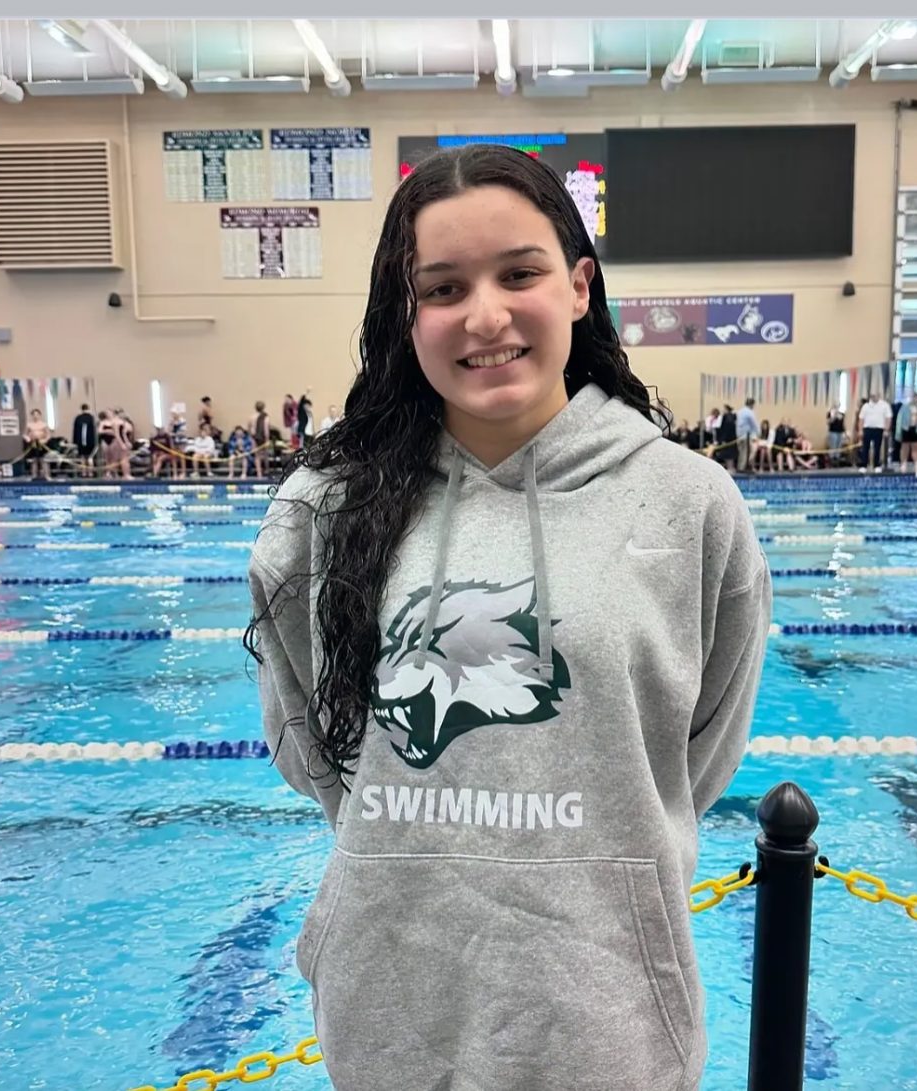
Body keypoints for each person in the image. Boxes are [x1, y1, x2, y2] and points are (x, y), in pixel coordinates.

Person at [245, 144, 771, 1091]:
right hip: (391, 1002)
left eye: (518, 274)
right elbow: (310, 736)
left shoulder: (688, 502)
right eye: (442, 288)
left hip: (609, 1008)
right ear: (406, 317)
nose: (484, 316)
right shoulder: (322, 506)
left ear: (577, 287)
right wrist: (411, 844)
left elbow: (696, 752)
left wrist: (611, 862)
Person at [858, 391, 892, 472]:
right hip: (867, 428)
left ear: (879, 396)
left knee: (877, 448)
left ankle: (877, 465)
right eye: (872, 396)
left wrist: (886, 430)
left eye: (875, 396)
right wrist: (860, 430)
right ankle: (864, 465)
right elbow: (861, 419)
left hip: (879, 429)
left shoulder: (884, 405)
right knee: (865, 448)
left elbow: (888, 418)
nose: (873, 398)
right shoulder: (866, 406)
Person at [23, 409, 51, 480]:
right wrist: (28, 439)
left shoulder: (43, 424)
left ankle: (47, 475)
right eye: (34, 415)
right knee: (34, 460)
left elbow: (48, 435)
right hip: (33, 444)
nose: (35, 416)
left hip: (42, 444)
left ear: (39, 415)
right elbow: (25, 435)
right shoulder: (29, 425)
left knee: (43, 460)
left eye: (37, 415)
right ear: (32, 416)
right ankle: (33, 475)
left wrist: (44, 440)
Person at [71, 403, 97, 478]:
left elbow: (75, 431)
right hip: (90, 440)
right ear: (88, 409)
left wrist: (75, 441)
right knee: (90, 457)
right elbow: (94, 431)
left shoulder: (78, 418)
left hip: (80, 440)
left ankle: (84, 472)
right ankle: (91, 473)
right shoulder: (91, 418)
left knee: (82, 457)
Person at [735, 397, 759, 472]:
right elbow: (754, 424)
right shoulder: (749, 412)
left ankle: (740, 466)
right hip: (746, 435)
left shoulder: (740, 411)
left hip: (739, 434)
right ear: (752, 404)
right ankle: (743, 468)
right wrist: (758, 433)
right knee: (745, 452)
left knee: (741, 452)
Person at [249, 400, 270, 478]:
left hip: (254, 437)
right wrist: (267, 439)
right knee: (265, 454)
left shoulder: (252, 417)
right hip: (262, 437)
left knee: (257, 456)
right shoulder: (266, 417)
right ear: (263, 408)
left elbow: (250, 429)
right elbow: (266, 429)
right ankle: (267, 470)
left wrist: (251, 438)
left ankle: (259, 473)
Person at [716, 405, 737, 469]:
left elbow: (726, 429)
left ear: (727, 410)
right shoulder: (732, 417)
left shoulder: (727, 417)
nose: (722, 411)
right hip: (731, 439)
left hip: (728, 440)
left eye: (724, 409)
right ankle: (730, 467)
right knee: (729, 456)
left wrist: (722, 439)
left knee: (728, 455)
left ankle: (730, 468)